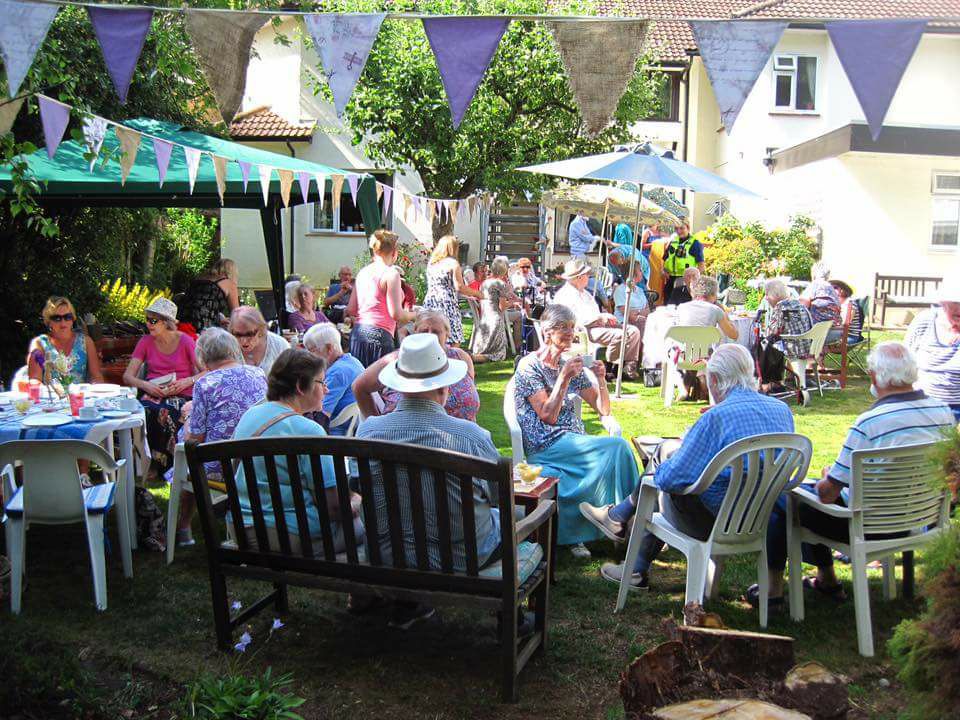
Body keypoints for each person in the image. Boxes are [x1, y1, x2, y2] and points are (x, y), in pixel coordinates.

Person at [580, 344, 794, 590]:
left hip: (714, 520)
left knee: (658, 479)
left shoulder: (716, 418)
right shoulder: (782, 410)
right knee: (667, 463)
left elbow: (673, 479)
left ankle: (633, 564)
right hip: (762, 517)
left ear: (713, 379)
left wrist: (659, 464)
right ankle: (619, 519)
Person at [762, 342, 955, 605]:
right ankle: (825, 580)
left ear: (876, 376)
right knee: (801, 496)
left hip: (867, 526)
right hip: (919, 518)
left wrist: (827, 477)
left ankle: (775, 590)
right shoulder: (943, 413)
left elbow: (828, 495)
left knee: (783, 498)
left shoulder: (870, 423)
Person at [356, 333, 502, 629]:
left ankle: (408, 603)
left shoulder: (369, 431)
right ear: (445, 386)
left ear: (397, 386)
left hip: (388, 553)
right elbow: (498, 497)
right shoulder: (471, 437)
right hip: (461, 558)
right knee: (512, 516)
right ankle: (515, 619)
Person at [514, 304, 638, 560]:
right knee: (618, 447)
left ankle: (626, 521)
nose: (571, 333)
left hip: (574, 442)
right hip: (545, 444)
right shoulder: (529, 367)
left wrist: (600, 379)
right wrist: (563, 378)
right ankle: (631, 521)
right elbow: (548, 416)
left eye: (572, 327)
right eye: (564, 328)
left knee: (614, 451)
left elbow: (603, 409)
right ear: (547, 333)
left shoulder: (570, 363)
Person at [232, 349, 362, 554]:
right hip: (287, 535)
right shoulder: (309, 431)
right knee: (362, 524)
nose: (326, 390)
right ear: (301, 386)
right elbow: (334, 508)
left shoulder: (250, 415)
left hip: (241, 528)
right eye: (321, 382)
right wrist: (357, 501)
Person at [173, 327, 267, 547]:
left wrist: (188, 416)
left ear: (204, 357)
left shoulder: (206, 384)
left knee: (186, 453)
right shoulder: (258, 374)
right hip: (257, 459)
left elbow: (195, 438)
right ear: (233, 350)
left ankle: (184, 528)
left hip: (223, 465)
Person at [354, 311, 480, 422]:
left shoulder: (461, 358)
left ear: (447, 335)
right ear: (415, 332)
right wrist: (376, 423)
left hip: (460, 441)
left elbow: (471, 394)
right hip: (407, 439)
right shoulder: (401, 359)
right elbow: (359, 387)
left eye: (436, 332)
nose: (430, 335)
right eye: (424, 331)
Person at [123, 297, 202, 472]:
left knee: (169, 412)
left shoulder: (185, 341)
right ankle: (150, 462)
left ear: (166, 323)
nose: (149, 324)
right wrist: (146, 385)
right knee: (145, 410)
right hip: (154, 391)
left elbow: (206, 371)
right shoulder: (145, 341)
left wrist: (187, 381)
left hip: (182, 392)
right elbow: (128, 376)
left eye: (153, 320)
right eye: (147, 320)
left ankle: (168, 465)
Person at [553, 258, 641, 381]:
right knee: (619, 335)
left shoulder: (585, 293)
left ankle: (628, 367)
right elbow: (573, 321)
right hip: (582, 331)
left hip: (597, 325)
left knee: (633, 331)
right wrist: (600, 317)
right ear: (579, 277)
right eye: (587, 275)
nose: (589, 278)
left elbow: (595, 311)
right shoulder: (565, 295)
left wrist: (604, 316)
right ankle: (610, 367)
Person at [347, 229, 418, 367]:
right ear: (394, 253)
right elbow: (397, 314)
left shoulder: (363, 273)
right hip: (379, 336)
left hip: (358, 334)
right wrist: (416, 315)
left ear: (374, 251)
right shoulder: (391, 274)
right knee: (381, 386)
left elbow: (351, 309)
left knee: (360, 384)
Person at [905, 277, 960, 421]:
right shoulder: (925, 321)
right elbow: (904, 360)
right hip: (924, 404)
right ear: (943, 303)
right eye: (955, 302)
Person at [302, 323, 364, 435]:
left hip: (337, 432)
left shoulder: (337, 373)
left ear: (329, 348)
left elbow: (321, 414)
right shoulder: (353, 360)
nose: (308, 356)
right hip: (355, 426)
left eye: (312, 350)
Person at [27, 296, 104, 385]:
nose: (63, 323)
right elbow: (35, 379)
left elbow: (96, 376)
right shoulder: (39, 344)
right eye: (57, 318)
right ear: (49, 321)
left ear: (72, 319)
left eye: (67, 317)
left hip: (79, 396)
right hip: (50, 397)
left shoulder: (86, 342)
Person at [423, 234, 481, 346]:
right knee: (454, 338)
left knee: (433, 335)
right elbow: (460, 287)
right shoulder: (453, 264)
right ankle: (450, 360)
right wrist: (477, 293)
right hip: (447, 302)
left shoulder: (432, 264)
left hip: (431, 301)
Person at [758, 279, 813, 392]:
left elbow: (772, 331)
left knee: (763, 345)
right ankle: (777, 381)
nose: (766, 298)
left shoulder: (780, 307)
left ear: (774, 294)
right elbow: (792, 325)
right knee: (772, 343)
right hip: (807, 345)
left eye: (767, 294)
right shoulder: (797, 304)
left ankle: (768, 382)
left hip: (793, 347)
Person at [471, 257, 520, 362]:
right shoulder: (500, 284)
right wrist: (513, 303)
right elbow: (502, 307)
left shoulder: (485, 283)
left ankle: (474, 357)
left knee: (485, 351)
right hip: (495, 322)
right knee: (498, 355)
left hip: (484, 322)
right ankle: (517, 347)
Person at [180, 258, 240, 332]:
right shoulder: (229, 283)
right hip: (203, 326)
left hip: (182, 321)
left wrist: (219, 319)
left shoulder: (199, 278)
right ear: (233, 272)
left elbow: (201, 304)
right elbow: (236, 314)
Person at [229, 306, 290, 375]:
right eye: (238, 334)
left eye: (249, 334)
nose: (244, 341)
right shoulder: (227, 349)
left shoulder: (279, 344)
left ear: (261, 329)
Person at [662, 222, 705, 302]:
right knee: (668, 305)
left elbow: (701, 266)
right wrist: (663, 271)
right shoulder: (672, 242)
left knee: (682, 306)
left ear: (688, 228)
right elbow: (665, 259)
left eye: (682, 228)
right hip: (671, 280)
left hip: (685, 281)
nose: (679, 231)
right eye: (676, 228)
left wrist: (694, 281)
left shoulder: (695, 244)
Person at [800, 262, 842, 341]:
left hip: (819, 332)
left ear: (814, 273)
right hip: (836, 331)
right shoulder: (831, 288)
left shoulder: (815, 285)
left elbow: (801, 307)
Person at [613, 258, 650, 341]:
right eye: (640, 270)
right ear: (632, 273)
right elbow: (629, 316)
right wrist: (641, 312)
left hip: (640, 322)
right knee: (645, 325)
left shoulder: (639, 290)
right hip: (624, 324)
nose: (642, 272)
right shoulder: (620, 290)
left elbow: (648, 310)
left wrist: (638, 312)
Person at [829, 280, 863, 345]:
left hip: (849, 337)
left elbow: (845, 324)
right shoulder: (838, 303)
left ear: (842, 290)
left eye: (834, 288)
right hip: (839, 334)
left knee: (818, 340)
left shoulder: (850, 304)